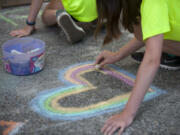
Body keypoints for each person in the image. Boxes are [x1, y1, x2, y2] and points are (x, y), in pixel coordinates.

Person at [94, 0, 180, 135]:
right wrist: (118, 55)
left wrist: (127, 114)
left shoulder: (152, 3)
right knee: (146, 33)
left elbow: (152, 60)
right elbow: (150, 31)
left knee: (149, 39)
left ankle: (172, 55)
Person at [10, 0, 97, 44]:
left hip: (75, 8)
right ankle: (101, 19)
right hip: (100, 8)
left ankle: (59, 14)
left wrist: (29, 25)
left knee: (46, 15)